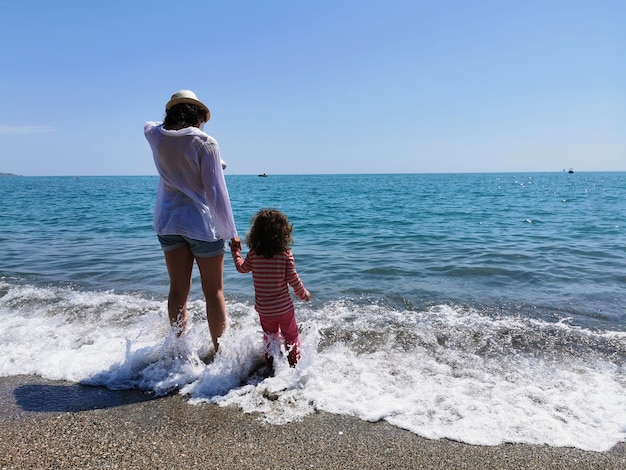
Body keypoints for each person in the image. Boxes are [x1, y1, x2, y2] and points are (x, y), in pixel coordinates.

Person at [144, 89, 239, 351]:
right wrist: (231, 231)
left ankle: (177, 349)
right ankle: (221, 353)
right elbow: (216, 192)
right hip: (201, 224)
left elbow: (155, 126)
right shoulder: (206, 143)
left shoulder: (154, 136)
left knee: (177, 290)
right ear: (197, 115)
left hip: (168, 220)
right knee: (214, 292)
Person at [230, 208, 311, 367]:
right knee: (291, 335)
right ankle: (294, 364)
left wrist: (236, 252)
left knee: (270, 336)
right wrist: (303, 293)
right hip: (284, 308)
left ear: (256, 233)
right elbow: (293, 278)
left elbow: (241, 268)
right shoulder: (285, 254)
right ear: (283, 232)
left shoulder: (254, 254)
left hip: (265, 309)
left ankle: (271, 363)